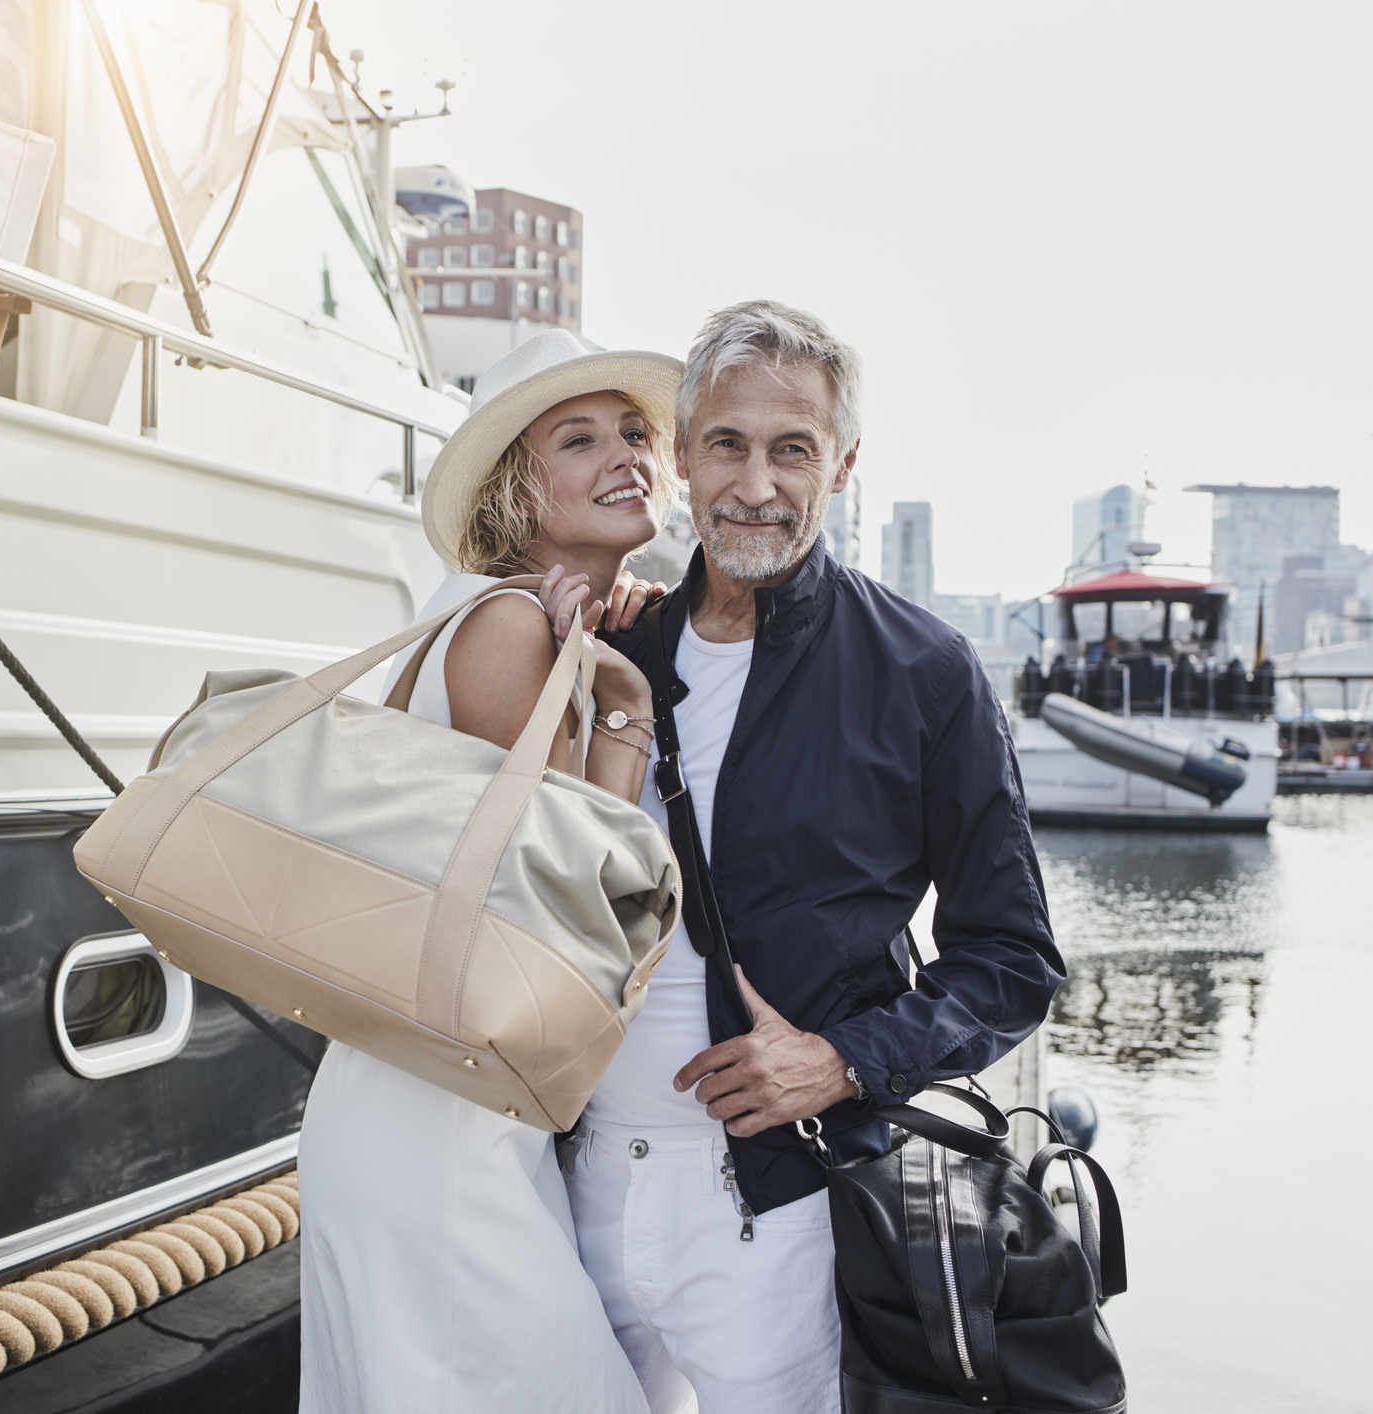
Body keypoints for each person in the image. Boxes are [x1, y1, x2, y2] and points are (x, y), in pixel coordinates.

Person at [565, 301, 1066, 1414]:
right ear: (685, 456)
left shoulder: (923, 670)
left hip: (777, 1207)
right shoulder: (611, 649)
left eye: (791, 449)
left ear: (841, 464)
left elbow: (1014, 958)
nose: (756, 485)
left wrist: (845, 1056)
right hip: (578, 1185)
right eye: (728, 445)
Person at [298, 328, 684, 1413]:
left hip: (420, 1098)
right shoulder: (512, 626)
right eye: (580, 438)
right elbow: (564, 923)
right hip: (444, 1135)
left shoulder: (489, 614)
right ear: (522, 483)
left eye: (633, 433)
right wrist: (624, 711)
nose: (627, 457)